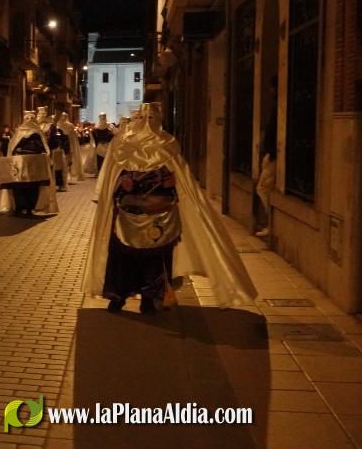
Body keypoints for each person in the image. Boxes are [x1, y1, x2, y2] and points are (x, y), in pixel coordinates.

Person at [83, 102, 258, 314]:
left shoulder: (166, 144)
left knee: (157, 260)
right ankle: (118, 296)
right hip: (127, 215)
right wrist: (121, 183)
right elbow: (110, 178)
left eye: (152, 119)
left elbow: (182, 177)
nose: (147, 124)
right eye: (142, 118)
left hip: (160, 215)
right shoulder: (121, 144)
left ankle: (150, 298)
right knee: (123, 257)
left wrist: (172, 182)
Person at [0, 111, 53, 217]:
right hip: (19, 166)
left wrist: (41, 153)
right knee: (19, 187)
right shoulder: (19, 133)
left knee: (32, 187)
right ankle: (19, 208)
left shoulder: (38, 133)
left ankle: (29, 208)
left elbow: (43, 148)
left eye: (31, 119)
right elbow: (11, 147)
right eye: (27, 119)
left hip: (33, 166)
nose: (29, 121)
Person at [256, 77, 278, 237]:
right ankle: (269, 223)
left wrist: (270, 152)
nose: (270, 91)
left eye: (272, 87)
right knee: (263, 188)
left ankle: (271, 224)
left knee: (262, 188)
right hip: (270, 153)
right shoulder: (276, 105)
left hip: (272, 155)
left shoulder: (278, 106)